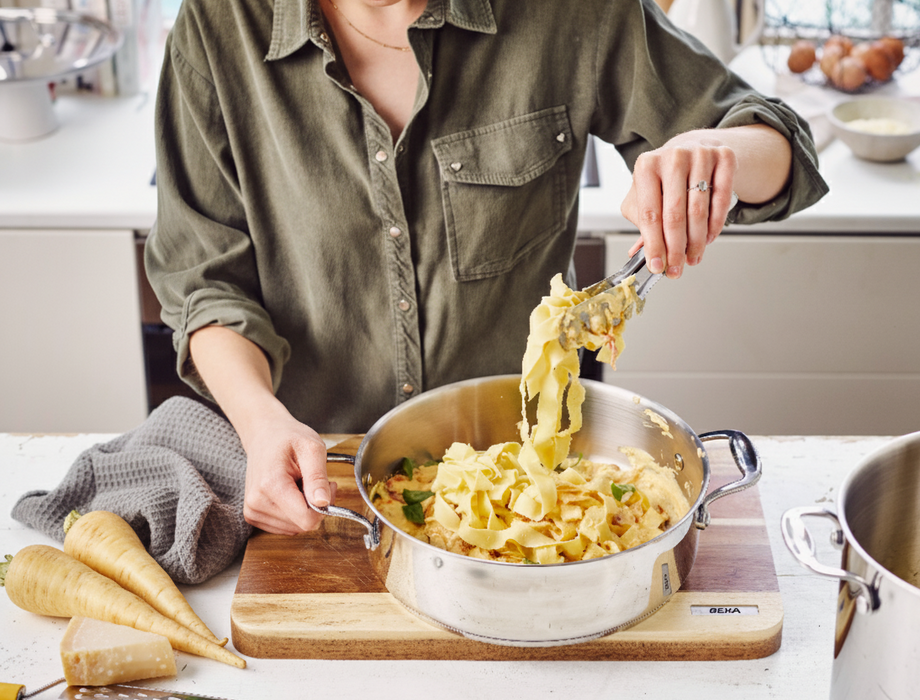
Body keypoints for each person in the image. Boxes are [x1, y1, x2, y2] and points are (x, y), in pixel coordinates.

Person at [146, 0, 828, 535]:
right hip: (324, 482)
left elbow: (781, 148)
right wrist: (260, 423)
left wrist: (721, 156)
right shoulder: (216, 26)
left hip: (541, 481)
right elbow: (204, 279)